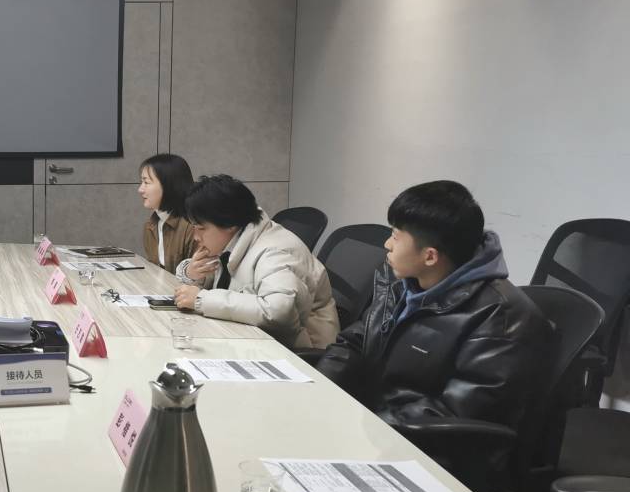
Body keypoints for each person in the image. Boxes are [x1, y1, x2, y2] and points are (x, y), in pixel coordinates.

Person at [316, 181, 551, 428]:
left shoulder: (499, 318)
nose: (387, 245)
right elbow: (354, 344)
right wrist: (318, 391)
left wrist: (364, 427)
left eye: (395, 237)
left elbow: (454, 413)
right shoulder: (404, 284)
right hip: (375, 421)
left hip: (420, 442)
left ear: (430, 256)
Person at [173, 174, 339, 348]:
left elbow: (277, 311)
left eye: (201, 228)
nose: (195, 237)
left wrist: (202, 299)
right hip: (255, 339)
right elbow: (227, 284)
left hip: (299, 351)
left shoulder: (275, 251)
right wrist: (193, 274)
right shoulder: (234, 240)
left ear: (229, 223)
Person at [137, 153, 195, 272]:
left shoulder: (193, 226)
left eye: (146, 182)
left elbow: (203, 277)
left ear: (169, 185)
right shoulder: (150, 226)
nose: (140, 189)